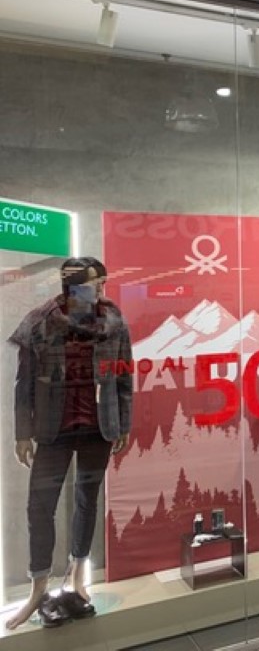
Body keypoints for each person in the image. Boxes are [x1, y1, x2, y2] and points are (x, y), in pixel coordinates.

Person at [5, 257, 133, 630]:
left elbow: (123, 376)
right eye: (95, 282)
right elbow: (24, 382)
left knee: (87, 500)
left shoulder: (113, 320)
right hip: (53, 429)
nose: (102, 288)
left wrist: (123, 422)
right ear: (73, 285)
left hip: (98, 427)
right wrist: (22, 432)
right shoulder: (40, 322)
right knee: (39, 506)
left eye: (103, 281)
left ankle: (78, 575)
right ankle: (38, 588)